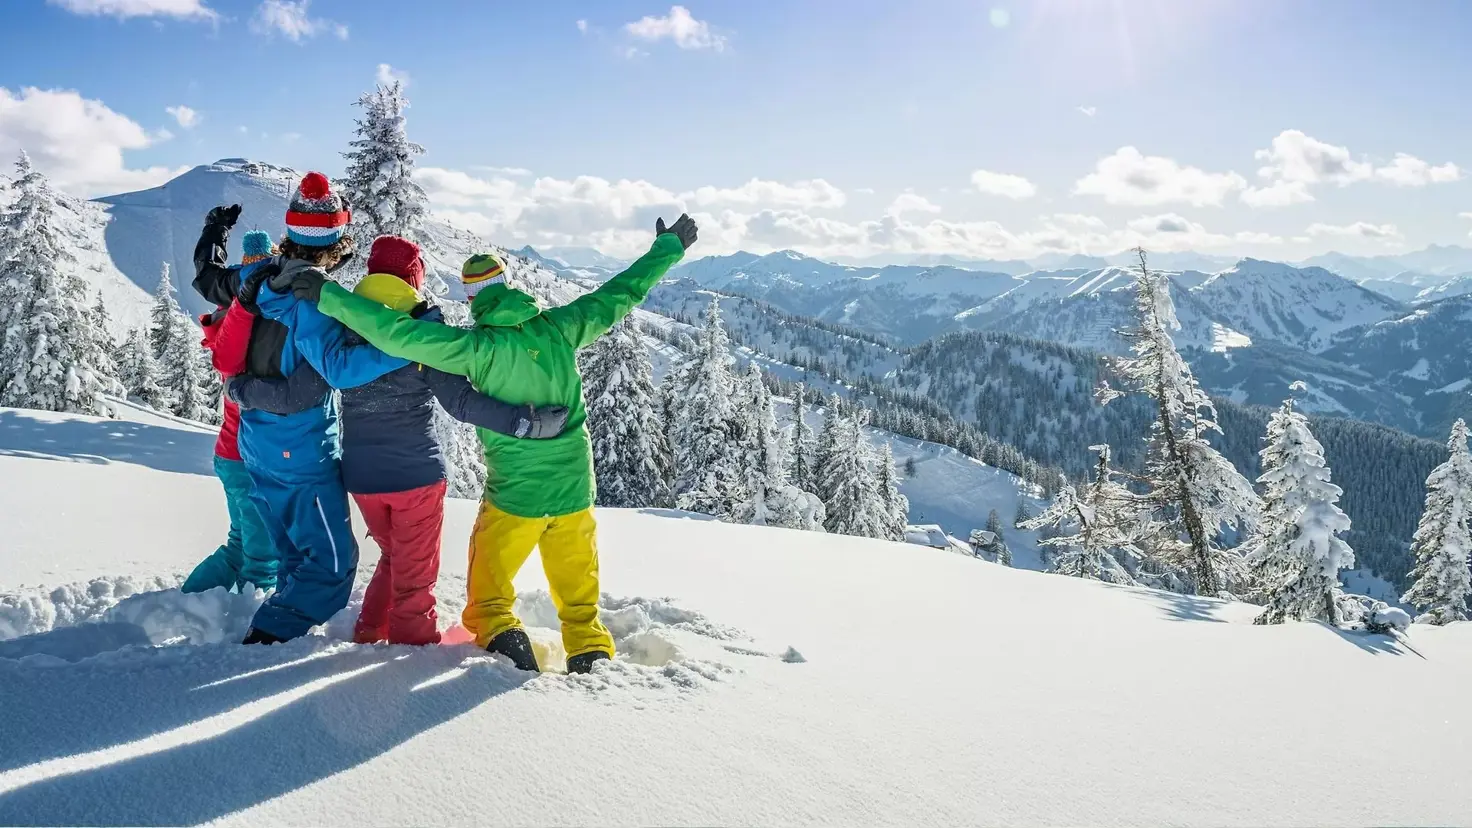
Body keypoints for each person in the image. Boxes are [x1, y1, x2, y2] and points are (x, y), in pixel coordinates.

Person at [286, 214, 698, 672]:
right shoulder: (562, 327)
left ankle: (507, 651)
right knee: (580, 600)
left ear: (471, 298)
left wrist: (328, 295)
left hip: (514, 498)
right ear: (509, 285)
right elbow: (621, 293)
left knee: (488, 601)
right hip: (575, 491)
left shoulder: (473, 349)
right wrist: (668, 248)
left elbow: (396, 333)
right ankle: (589, 652)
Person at [230, 234, 569, 645]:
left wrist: (243, 389)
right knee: (416, 579)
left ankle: (369, 631)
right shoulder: (422, 335)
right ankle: (413, 649)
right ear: (413, 280)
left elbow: (303, 386)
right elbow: (461, 403)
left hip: (361, 479)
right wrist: (523, 422)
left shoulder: (343, 324)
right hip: (416, 477)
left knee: (393, 556)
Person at [183, 215, 325, 594]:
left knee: (239, 548)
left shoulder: (232, 320)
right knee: (262, 560)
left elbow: (209, 274)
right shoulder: (242, 325)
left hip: (232, 455)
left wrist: (214, 232)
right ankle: (246, 626)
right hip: (244, 459)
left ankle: (185, 604)